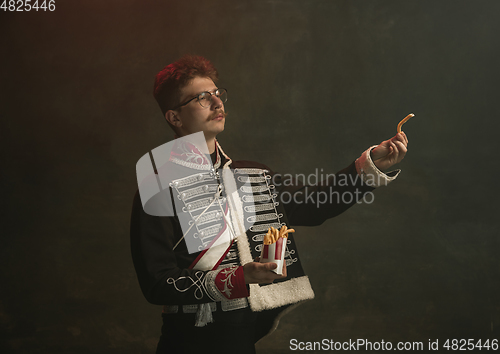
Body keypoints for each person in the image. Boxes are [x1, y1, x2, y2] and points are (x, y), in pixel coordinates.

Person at [130, 55, 408, 353]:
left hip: (242, 335)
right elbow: (157, 283)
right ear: (174, 117)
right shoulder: (157, 187)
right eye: (201, 98)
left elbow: (313, 205)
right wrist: (239, 277)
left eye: (217, 94)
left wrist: (368, 166)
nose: (217, 103)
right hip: (188, 338)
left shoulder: (253, 175)